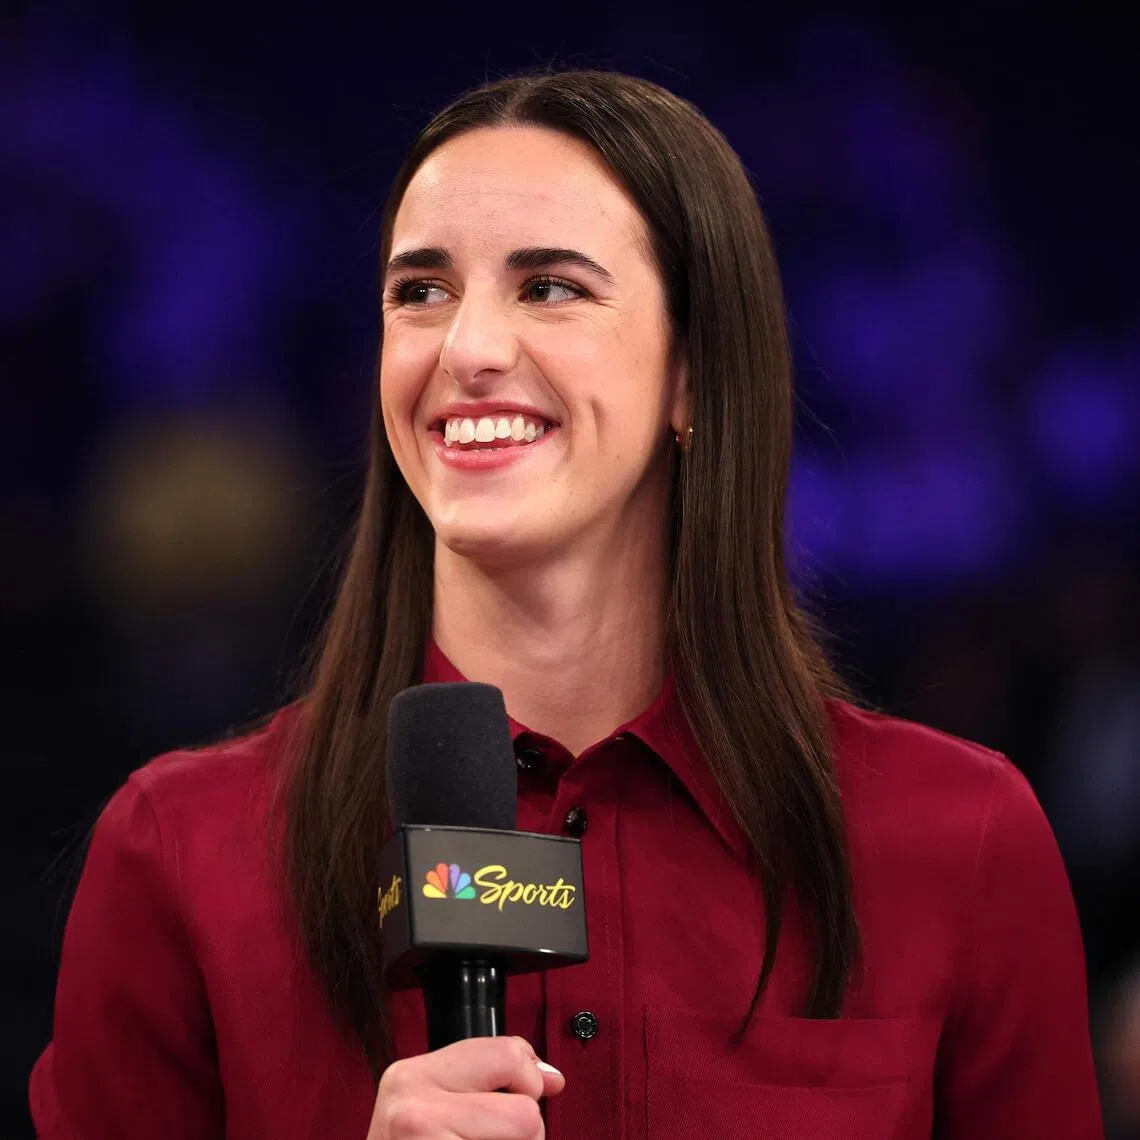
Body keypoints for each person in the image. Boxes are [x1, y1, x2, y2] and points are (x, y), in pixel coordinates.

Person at [30, 68, 1102, 1139]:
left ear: (693, 369)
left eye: (549, 287)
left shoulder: (955, 841)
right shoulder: (180, 852)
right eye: (421, 291)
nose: (469, 350)